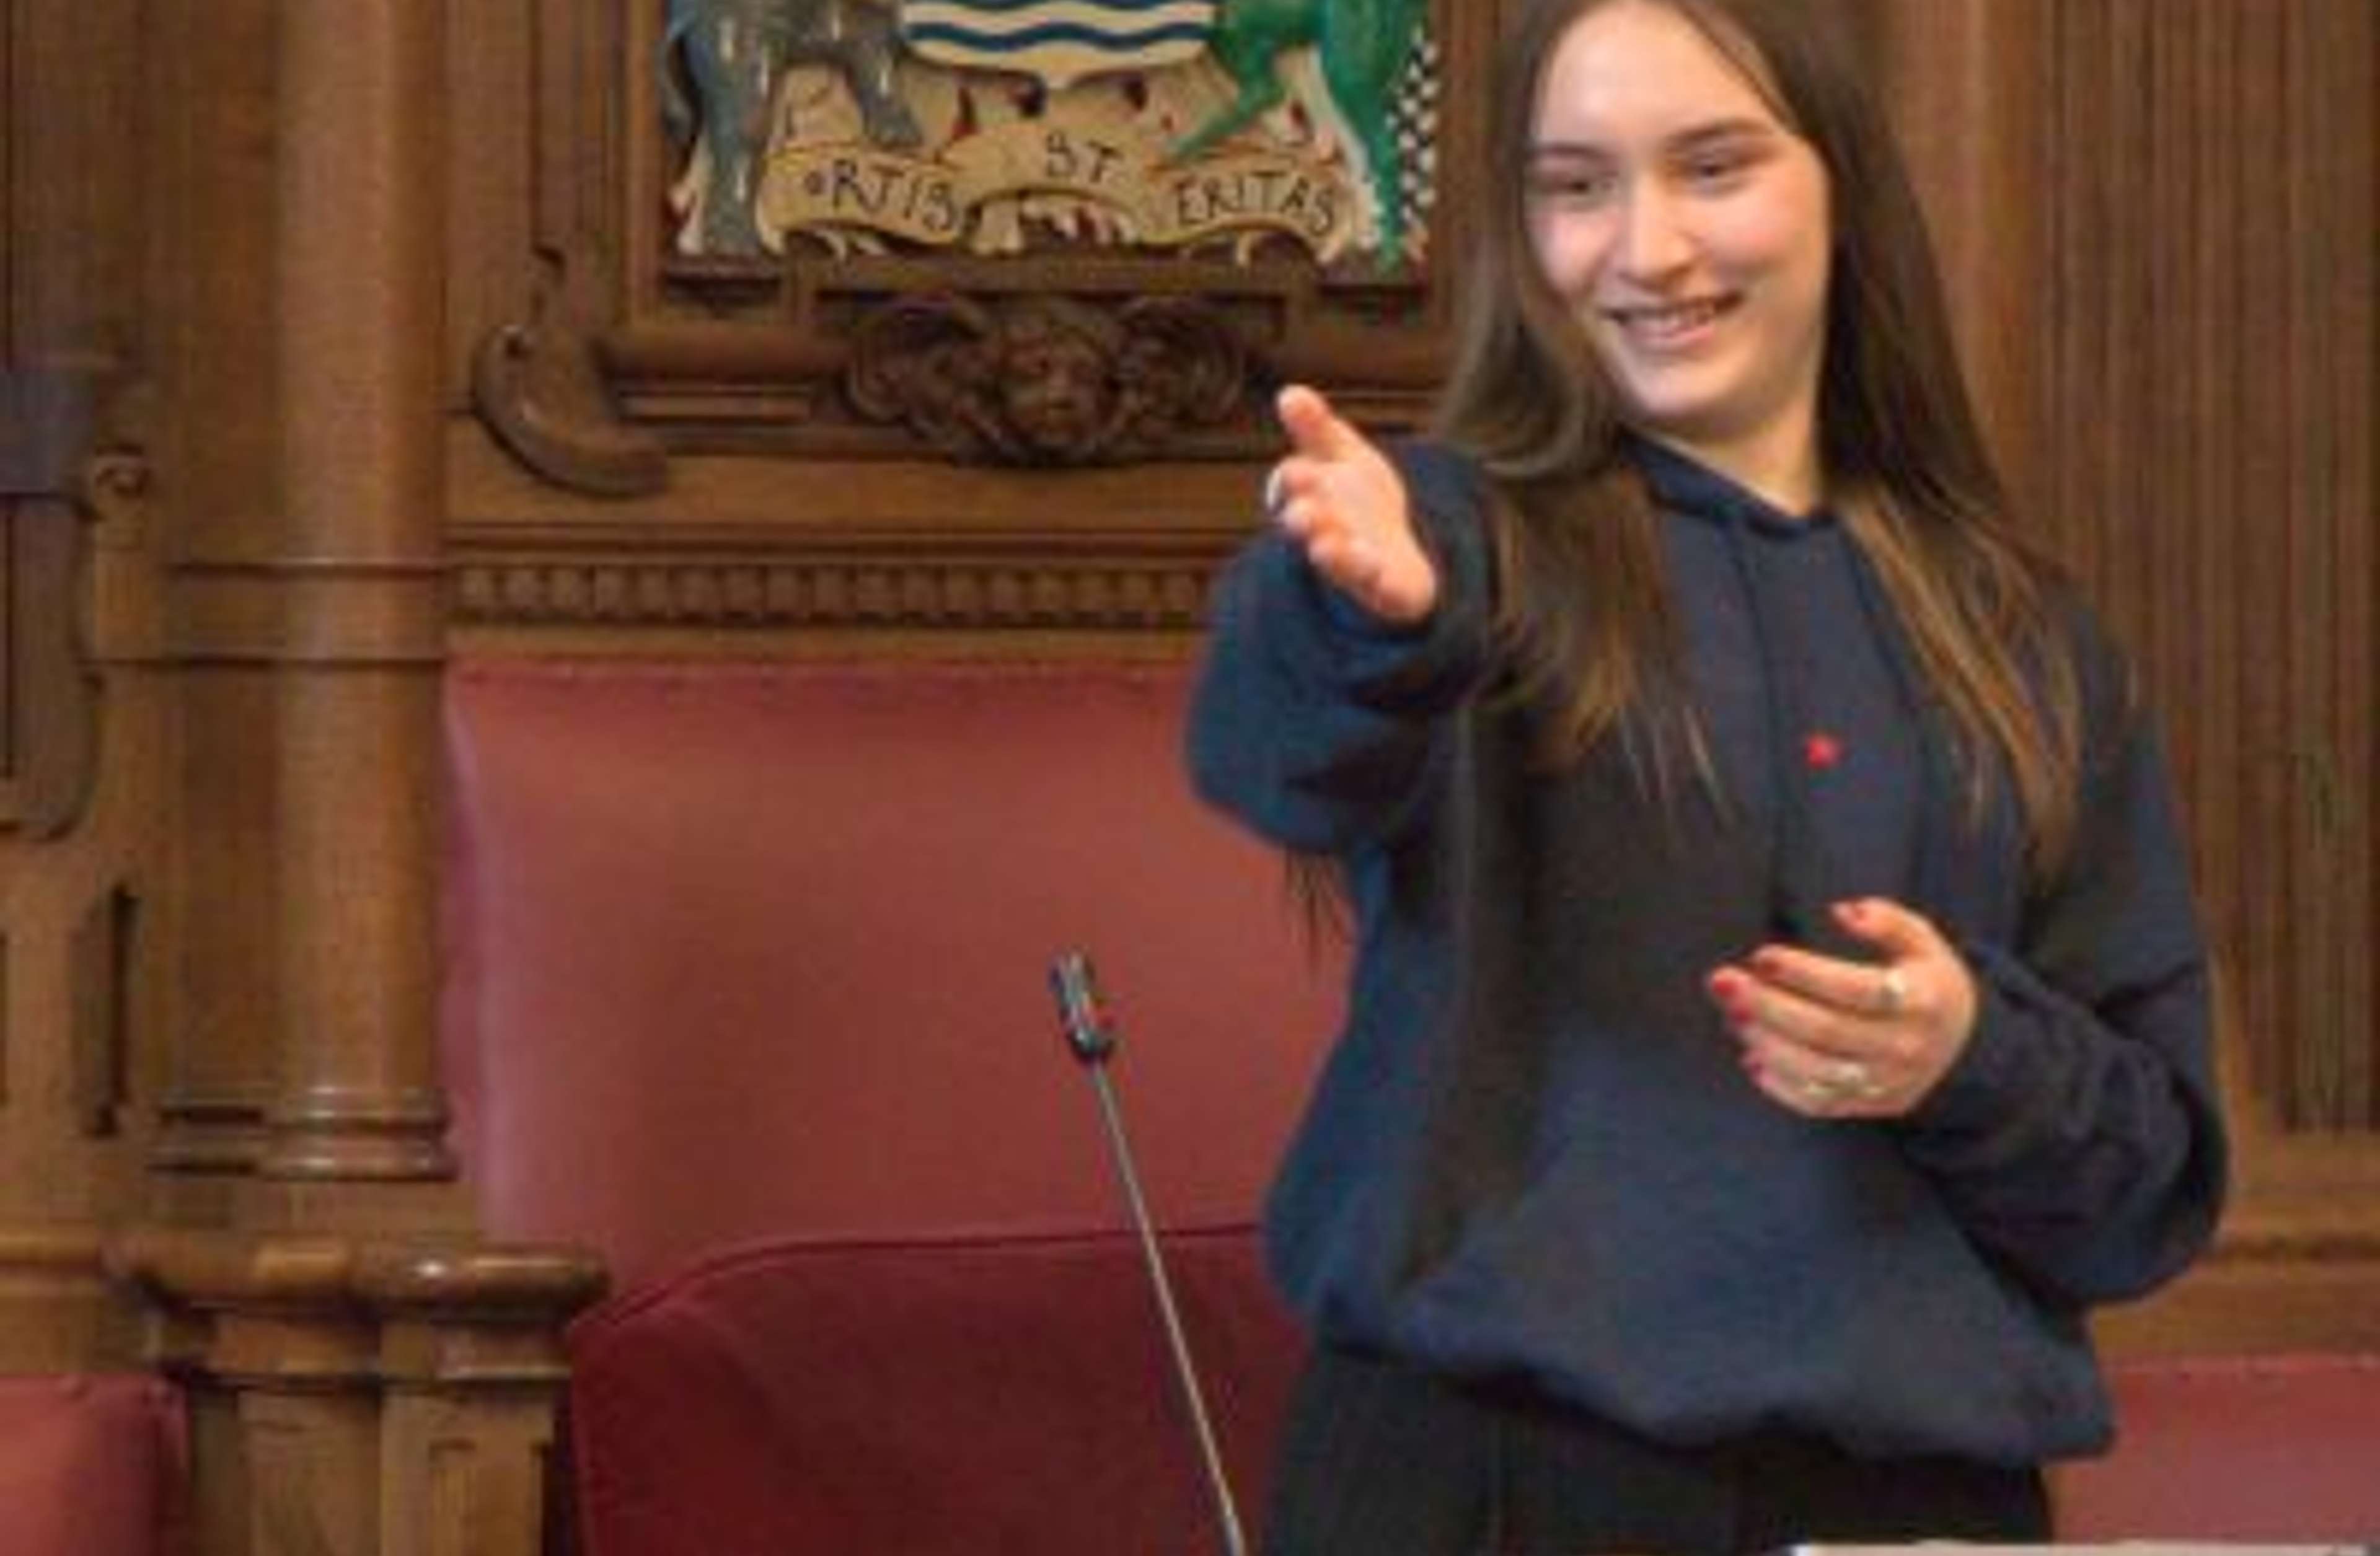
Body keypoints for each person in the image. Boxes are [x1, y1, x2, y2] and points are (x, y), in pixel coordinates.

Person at [1184, 0, 2228, 1550]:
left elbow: (2148, 1193)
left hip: (1918, 1499)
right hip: (1478, 1485)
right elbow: (1276, 753)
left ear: (1843, 186)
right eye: (1574, 185)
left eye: (1714, 167)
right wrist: (1371, 617)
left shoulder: (2031, 641)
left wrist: (1969, 1058)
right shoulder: (1447, 535)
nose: (1646, 249)